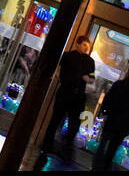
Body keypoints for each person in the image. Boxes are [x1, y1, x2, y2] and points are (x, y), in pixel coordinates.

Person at [36, 35, 96, 167]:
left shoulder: (90, 61)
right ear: (77, 44)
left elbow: (92, 78)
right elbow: (61, 73)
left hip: (78, 96)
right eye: (84, 44)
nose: (86, 48)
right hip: (66, 93)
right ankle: (46, 147)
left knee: (73, 126)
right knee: (55, 120)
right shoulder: (68, 56)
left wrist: (88, 79)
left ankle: (64, 150)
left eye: (88, 45)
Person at [93, 66, 129, 171]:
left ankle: (96, 166)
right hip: (124, 125)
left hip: (112, 119)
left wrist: (105, 111)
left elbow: (108, 99)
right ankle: (105, 166)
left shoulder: (119, 85)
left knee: (103, 143)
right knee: (113, 148)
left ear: (128, 73)